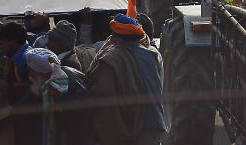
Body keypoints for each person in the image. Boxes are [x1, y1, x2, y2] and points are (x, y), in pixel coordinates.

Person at [88, 14, 166, 145]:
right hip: (156, 123)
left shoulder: (111, 58)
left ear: (117, 38)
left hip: (131, 128)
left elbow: (101, 94)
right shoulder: (153, 54)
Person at [25, 47, 94, 145]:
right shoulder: (40, 84)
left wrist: (60, 98)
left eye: (31, 70)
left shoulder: (70, 80)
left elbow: (86, 108)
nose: (29, 74)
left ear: (45, 72)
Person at [0, 20, 31, 103]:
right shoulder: (14, 57)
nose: (1, 46)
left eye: (3, 42)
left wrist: (7, 87)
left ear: (13, 42)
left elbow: (31, 88)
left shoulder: (25, 60)